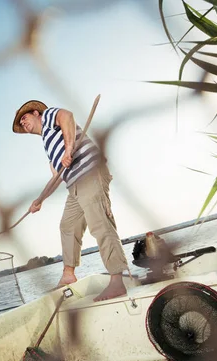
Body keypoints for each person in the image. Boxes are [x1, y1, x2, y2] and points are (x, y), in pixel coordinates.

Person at [12, 99, 130, 301]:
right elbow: (56, 177)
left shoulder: (49, 117)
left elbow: (66, 116)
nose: (23, 123)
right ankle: (68, 275)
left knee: (99, 223)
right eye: (21, 124)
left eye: (24, 118)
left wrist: (69, 148)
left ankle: (117, 280)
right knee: (67, 225)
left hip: (89, 173)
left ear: (36, 113)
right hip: (74, 186)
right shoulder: (48, 145)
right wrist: (39, 200)